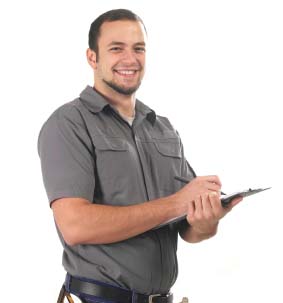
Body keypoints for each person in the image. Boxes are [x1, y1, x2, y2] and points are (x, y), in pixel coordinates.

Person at [37, 9, 242, 303]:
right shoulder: (69, 124)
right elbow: (75, 225)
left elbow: (188, 229)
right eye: (116, 48)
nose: (130, 59)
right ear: (92, 57)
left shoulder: (163, 128)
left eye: (139, 49)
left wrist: (207, 219)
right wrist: (177, 202)